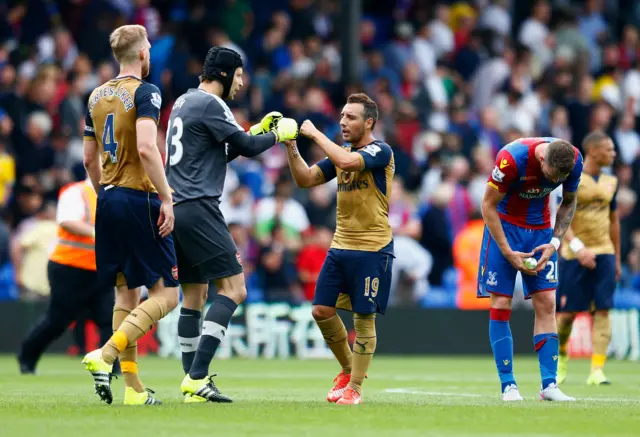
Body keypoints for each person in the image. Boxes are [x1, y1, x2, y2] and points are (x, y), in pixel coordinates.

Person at [166, 46, 298, 403]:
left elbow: (221, 150)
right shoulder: (213, 104)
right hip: (199, 206)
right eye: (238, 75)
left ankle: (192, 383)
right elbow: (247, 147)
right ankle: (197, 377)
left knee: (194, 296)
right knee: (235, 289)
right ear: (224, 74)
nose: (242, 82)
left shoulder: (183, 102)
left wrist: (254, 129)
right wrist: (277, 135)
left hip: (177, 207)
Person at [81, 24, 179, 406]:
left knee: (126, 291)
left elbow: (88, 158)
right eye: (149, 49)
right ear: (141, 54)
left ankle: (134, 391)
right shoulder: (146, 92)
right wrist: (167, 199)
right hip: (140, 198)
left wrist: (104, 194)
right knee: (167, 293)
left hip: (108, 199)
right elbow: (147, 148)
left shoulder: (95, 95)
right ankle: (105, 355)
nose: (150, 54)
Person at [284, 93, 395, 405]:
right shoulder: (340, 154)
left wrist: (315, 133)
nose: (344, 122)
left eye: (351, 117)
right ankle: (348, 369)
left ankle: (355, 388)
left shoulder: (379, 151)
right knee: (320, 310)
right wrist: (291, 146)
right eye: (343, 116)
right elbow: (305, 179)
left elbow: (347, 161)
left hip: (373, 248)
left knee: (363, 321)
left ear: (369, 122)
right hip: (340, 246)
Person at [478, 136, 582, 402]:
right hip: (503, 227)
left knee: (547, 303)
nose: (555, 181)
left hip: (540, 232)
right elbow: (487, 205)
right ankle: (508, 385)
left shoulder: (574, 160)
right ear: (540, 160)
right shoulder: (511, 159)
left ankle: (549, 385)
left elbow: (568, 202)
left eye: (561, 177)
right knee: (501, 302)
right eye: (552, 175)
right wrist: (506, 251)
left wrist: (555, 242)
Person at [18, 178, 113, 374]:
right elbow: (67, 221)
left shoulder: (113, 195)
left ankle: (113, 367)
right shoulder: (76, 192)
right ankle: (27, 356)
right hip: (69, 267)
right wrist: (98, 233)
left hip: (100, 270)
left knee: (109, 320)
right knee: (58, 320)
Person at [556, 131, 620, 386]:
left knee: (603, 311)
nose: (613, 154)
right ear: (593, 151)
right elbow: (562, 216)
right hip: (574, 254)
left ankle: (597, 370)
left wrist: (615, 257)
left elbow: (614, 220)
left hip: (604, 251)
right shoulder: (572, 178)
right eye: (609, 149)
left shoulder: (611, 181)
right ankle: (561, 358)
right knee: (567, 315)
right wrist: (579, 247)